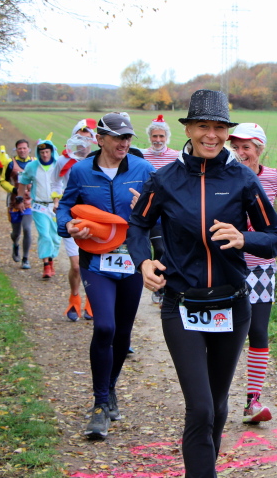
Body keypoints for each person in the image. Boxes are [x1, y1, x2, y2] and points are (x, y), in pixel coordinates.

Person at [127, 90, 277, 478]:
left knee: (216, 405)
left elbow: (275, 237)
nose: (211, 135)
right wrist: (143, 260)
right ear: (188, 129)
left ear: (226, 132)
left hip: (232, 305)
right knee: (199, 407)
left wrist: (244, 238)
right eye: (203, 126)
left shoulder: (242, 179)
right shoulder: (164, 180)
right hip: (181, 304)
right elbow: (137, 224)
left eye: (219, 127)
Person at [56, 112, 155, 439]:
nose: (124, 143)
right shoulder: (82, 171)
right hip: (96, 260)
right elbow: (65, 207)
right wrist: (67, 226)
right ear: (100, 139)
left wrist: (147, 211)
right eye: (117, 138)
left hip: (133, 260)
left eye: (127, 138)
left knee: (123, 333)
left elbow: (163, 211)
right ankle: (99, 405)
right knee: (104, 327)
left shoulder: (143, 170)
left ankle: (110, 388)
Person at [228, 123, 277, 424]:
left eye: (246, 147)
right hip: (228, 265)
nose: (240, 152)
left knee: (258, 330)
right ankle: (213, 399)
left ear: (259, 149)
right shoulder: (225, 175)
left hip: (261, 267)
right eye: (235, 147)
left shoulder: (273, 176)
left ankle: (253, 402)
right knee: (227, 333)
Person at [52, 119, 97, 321]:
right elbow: (55, 182)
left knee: (94, 264)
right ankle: (74, 297)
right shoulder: (63, 161)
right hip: (71, 218)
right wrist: (57, 200)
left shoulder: (98, 160)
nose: (83, 143)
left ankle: (92, 301)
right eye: (80, 139)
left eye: (87, 139)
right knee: (77, 266)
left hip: (93, 218)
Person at [139, 114, 180, 304]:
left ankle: (159, 286)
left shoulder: (176, 156)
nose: (158, 140)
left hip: (164, 213)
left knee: (161, 248)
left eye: (161, 136)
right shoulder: (142, 156)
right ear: (150, 137)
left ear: (167, 137)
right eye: (154, 136)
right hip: (143, 209)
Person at [19, 139, 61, 279]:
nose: (45, 155)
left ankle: (51, 259)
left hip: (55, 206)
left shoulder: (58, 165)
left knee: (55, 237)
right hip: (39, 205)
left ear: (51, 152)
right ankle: (46, 265)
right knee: (44, 235)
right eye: (42, 152)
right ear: (38, 153)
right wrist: (20, 199)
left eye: (47, 152)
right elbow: (23, 182)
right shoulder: (32, 167)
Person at [0, 139, 34, 269]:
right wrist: (14, 190)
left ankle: (25, 259)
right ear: (16, 150)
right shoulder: (10, 163)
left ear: (28, 149)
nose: (22, 150)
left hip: (29, 202)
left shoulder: (35, 162)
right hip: (14, 202)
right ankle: (15, 244)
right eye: (20, 148)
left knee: (27, 229)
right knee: (16, 233)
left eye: (24, 148)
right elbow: (2, 181)